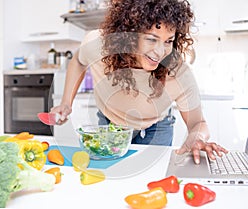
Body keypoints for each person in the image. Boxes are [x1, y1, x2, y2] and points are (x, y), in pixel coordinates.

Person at [51, 0, 228, 164]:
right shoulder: (99, 45)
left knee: (152, 176)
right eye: (151, 39)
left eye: (168, 41)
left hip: (155, 127)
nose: (160, 51)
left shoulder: (177, 72)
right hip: (109, 121)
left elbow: (198, 123)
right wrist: (66, 103)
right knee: (108, 172)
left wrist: (197, 138)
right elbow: (78, 61)